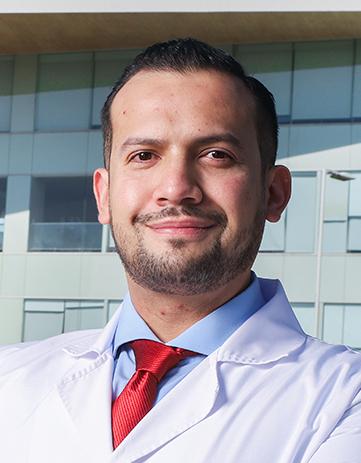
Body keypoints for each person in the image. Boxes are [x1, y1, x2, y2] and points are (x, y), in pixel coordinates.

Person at [0, 38, 360, 463]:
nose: (176, 188)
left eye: (215, 155)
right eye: (144, 155)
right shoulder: (10, 377)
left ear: (274, 193)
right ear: (104, 195)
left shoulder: (344, 400)